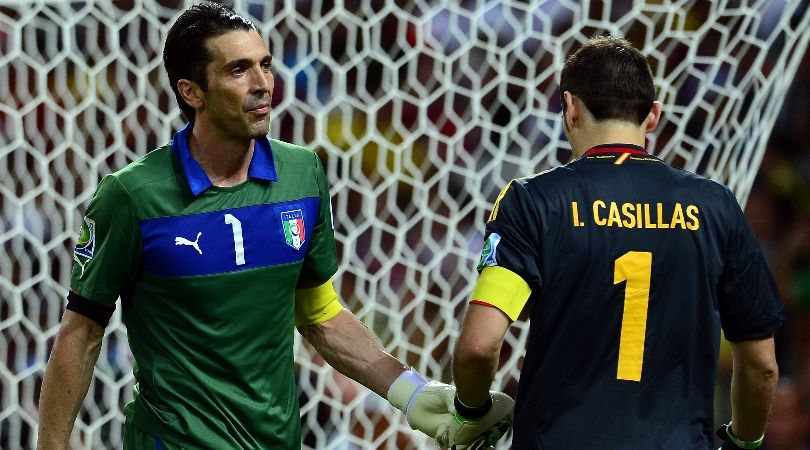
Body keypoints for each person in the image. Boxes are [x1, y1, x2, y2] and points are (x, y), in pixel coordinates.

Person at [36, 3, 511, 449]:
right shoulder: (133, 195)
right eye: (238, 70)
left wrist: (412, 394)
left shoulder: (302, 174)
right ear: (191, 92)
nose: (263, 83)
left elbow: (320, 313)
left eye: (265, 64)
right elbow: (81, 332)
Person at [450, 35, 785, 450]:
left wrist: (470, 413)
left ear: (570, 107)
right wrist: (744, 442)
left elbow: (479, 347)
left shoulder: (533, 201)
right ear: (653, 116)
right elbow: (762, 366)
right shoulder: (716, 206)